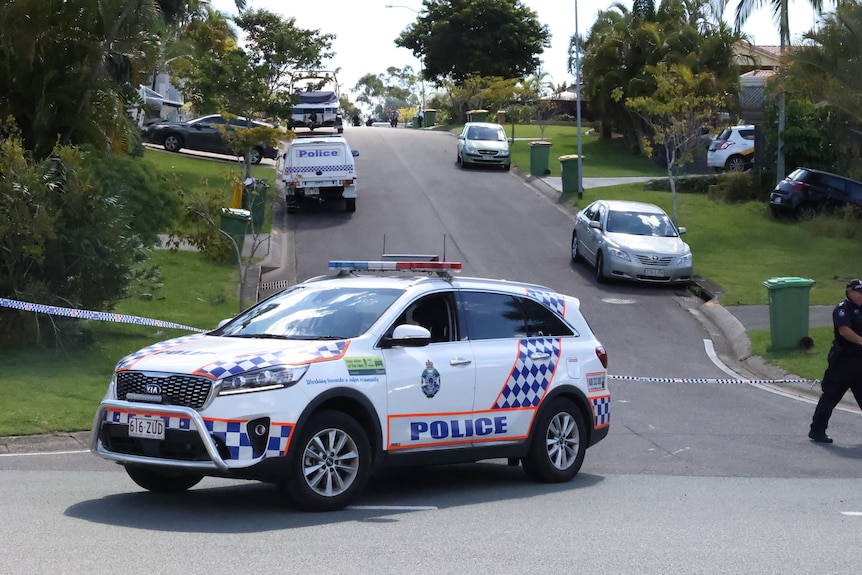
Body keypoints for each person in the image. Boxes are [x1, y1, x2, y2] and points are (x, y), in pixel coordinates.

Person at [808, 279, 862, 443]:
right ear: (849, 292)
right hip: (842, 363)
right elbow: (844, 331)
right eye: (859, 292)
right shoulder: (842, 309)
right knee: (830, 397)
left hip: (860, 363)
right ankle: (817, 431)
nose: (861, 296)